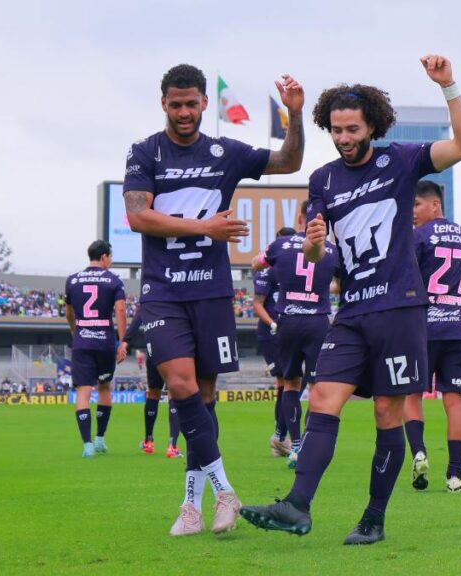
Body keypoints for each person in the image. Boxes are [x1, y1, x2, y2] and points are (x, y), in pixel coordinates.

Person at [241, 54, 461, 545]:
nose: (344, 138)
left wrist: (448, 85)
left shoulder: (403, 160)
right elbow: (316, 250)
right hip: (351, 312)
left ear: (372, 124)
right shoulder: (324, 179)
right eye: (335, 129)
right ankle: (297, 506)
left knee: (386, 415)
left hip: (398, 309)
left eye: (352, 128)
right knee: (324, 397)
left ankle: (373, 519)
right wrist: (311, 241)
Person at [123, 64, 304, 536]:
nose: (184, 112)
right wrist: (207, 227)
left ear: (204, 103)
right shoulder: (145, 151)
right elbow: (139, 217)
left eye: (191, 103)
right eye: (175, 104)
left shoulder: (227, 152)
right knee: (180, 386)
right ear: (163, 104)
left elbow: (288, 162)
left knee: (203, 398)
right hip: (162, 290)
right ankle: (225, 491)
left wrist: (296, 115)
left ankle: (190, 506)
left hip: (211, 290)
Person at [404, 181, 461, 493]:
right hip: (457, 331)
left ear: (434, 205)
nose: (412, 212)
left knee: (411, 395)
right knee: (455, 403)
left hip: (422, 330)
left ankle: (418, 453)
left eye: (416, 205)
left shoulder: (418, 237)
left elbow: (404, 280)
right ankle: (454, 476)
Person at [253, 202, 338, 470]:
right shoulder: (334, 250)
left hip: (288, 320)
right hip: (317, 321)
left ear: (300, 218)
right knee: (316, 387)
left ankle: (296, 445)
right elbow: (341, 284)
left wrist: (264, 259)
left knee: (290, 385)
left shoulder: (281, 245)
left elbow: (257, 265)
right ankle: (310, 444)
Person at [64, 240, 127, 458]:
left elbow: (69, 313)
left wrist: (75, 331)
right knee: (104, 387)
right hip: (105, 342)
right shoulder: (113, 280)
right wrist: (123, 340)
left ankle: (87, 444)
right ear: (104, 257)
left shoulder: (72, 280)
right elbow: (120, 309)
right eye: (110, 257)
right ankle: (100, 438)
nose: (110, 261)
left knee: (83, 391)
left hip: (82, 340)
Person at [252, 227, 296, 458]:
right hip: (272, 334)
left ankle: (280, 436)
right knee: (285, 381)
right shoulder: (266, 271)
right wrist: (273, 324)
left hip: (291, 330)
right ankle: (281, 437)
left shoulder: (294, 268)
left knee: (289, 383)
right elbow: (257, 304)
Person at [121, 307, 182, 458]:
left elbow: (136, 321)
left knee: (153, 393)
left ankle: (148, 441)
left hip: (153, 350)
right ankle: (172, 444)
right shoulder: (176, 296)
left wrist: (125, 341)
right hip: (174, 348)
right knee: (174, 394)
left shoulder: (151, 297)